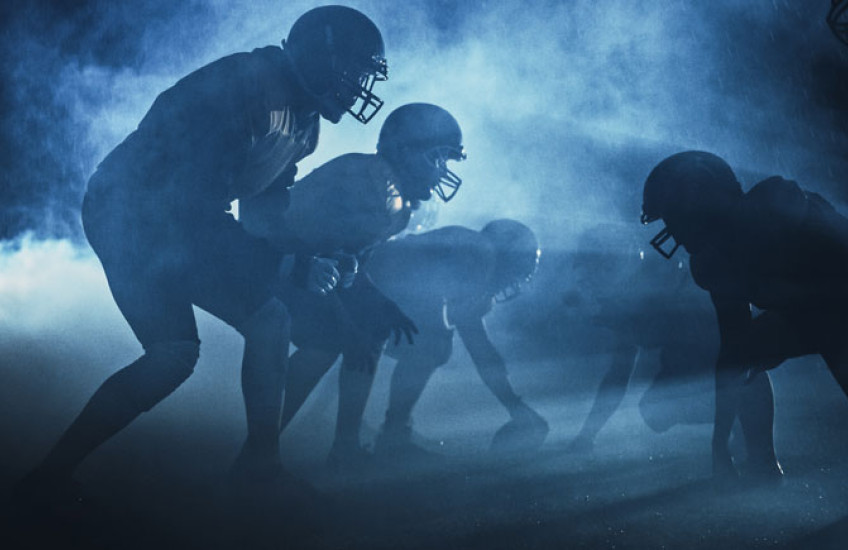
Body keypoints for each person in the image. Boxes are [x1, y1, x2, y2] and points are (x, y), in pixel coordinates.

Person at [18, 5, 389, 497]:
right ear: (322, 58)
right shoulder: (243, 88)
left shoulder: (302, 117)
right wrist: (295, 264)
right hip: (130, 214)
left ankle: (259, 466)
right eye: (354, 71)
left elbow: (260, 214)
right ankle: (49, 474)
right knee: (173, 354)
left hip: (170, 217)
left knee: (263, 323)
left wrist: (317, 252)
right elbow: (193, 214)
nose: (359, 86)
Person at [239, 103, 467, 466]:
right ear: (407, 151)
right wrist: (347, 329)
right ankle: (256, 448)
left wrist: (379, 303)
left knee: (373, 326)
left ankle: (344, 445)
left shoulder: (391, 195)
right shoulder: (366, 185)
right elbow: (315, 258)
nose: (442, 171)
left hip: (304, 268)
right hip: (270, 264)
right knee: (325, 342)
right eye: (437, 158)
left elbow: (347, 266)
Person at [640, 150, 848, 480]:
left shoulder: (776, 202)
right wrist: (718, 443)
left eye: (672, 217)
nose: (673, 231)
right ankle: (762, 461)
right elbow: (732, 353)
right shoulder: (714, 260)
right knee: (746, 353)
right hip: (814, 316)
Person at [369, 220, 548, 461]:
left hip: (372, 284)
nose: (510, 283)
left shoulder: (475, 255)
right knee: (432, 345)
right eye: (515, 271)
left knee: (431, 343)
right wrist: (514, 406)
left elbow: (479, 346)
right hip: (369, 285)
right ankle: (391, 438)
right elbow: (470, 336)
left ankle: (385, 432)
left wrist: (514, 406)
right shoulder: (478, 252)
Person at [562, 224, 720, 452]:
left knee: (661, 408)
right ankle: (737, 415)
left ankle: (740, 414)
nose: (592, 282)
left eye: (596, 270)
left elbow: (681, 336)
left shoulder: (666, 285)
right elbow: (619, 372)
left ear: (614, 266)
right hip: (698, 355)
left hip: (720, 354)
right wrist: (587, 435)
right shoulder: (628, 294)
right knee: (655, 412)